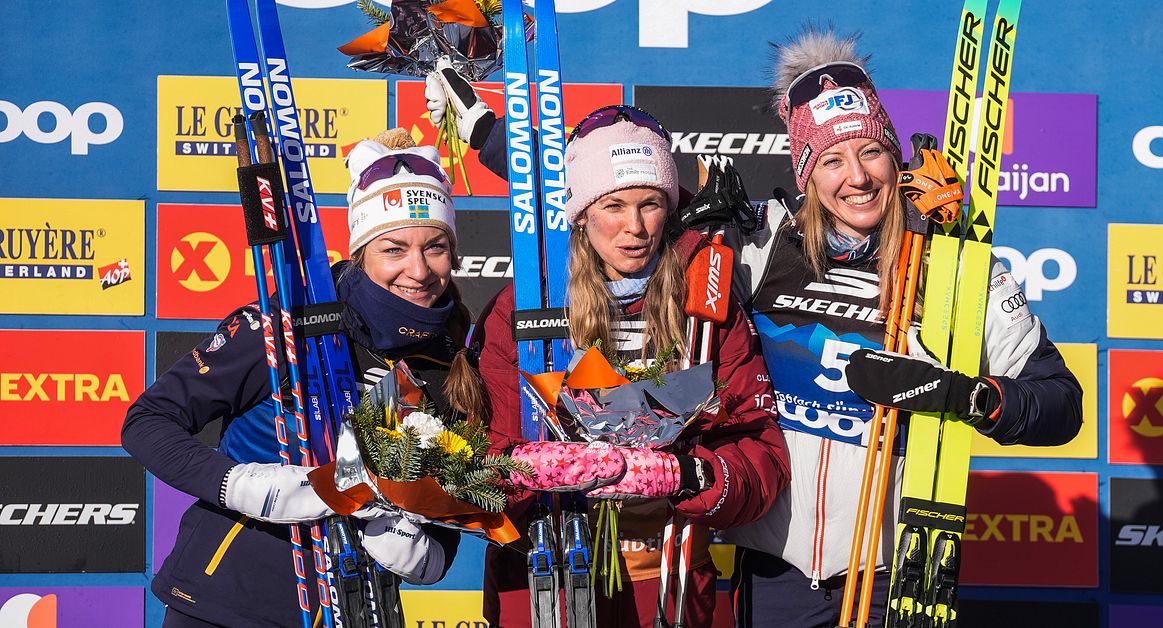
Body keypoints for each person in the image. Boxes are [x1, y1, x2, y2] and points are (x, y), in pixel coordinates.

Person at [706, 30, 1085, 627]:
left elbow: (1060, 403)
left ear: (895, 157)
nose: (856, 176)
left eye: (871, 152)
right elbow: (623, 237)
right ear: (806, 174)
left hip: (894, 578)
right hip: (773, 570)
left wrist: (963, 396)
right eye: (832, 159)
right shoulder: (758, 246)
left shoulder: (953, 266)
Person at [123, 132, 488, 627]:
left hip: (358, 607)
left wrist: (413, 547)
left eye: (436, 247)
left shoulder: (455, 361)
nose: (418, 270)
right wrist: (243, 485)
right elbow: (147, 422)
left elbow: (449, 514)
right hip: (225, 602)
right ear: (362, 251)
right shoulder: (288, 322)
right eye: (394, 249)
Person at [466, 107, 790, 627]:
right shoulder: (525, 306)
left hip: (668, 581)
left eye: (650, 204)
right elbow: (484, 464)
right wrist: (529, 471)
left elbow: (761, 457)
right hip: (545, 579)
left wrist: (687, 473)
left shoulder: (705, 303)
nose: (634, 228)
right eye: (613, 205)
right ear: (581, 212)